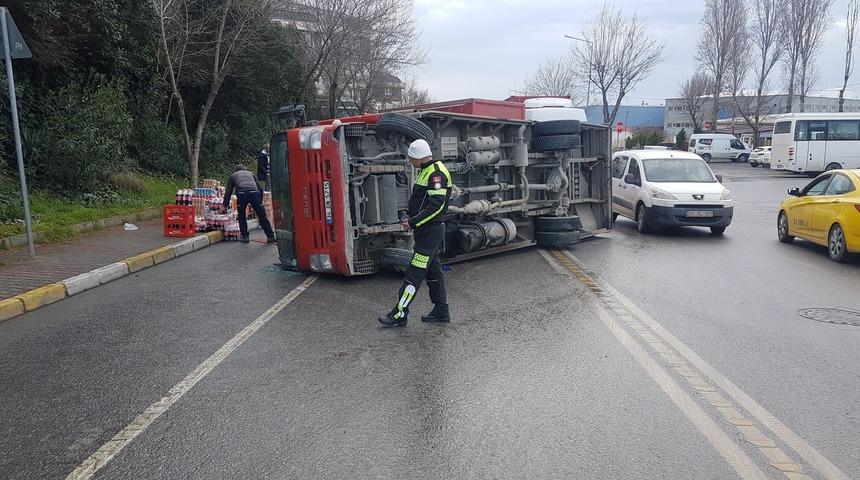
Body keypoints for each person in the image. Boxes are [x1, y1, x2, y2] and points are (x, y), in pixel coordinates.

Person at [378, 139, 452, 327]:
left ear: (418, 157)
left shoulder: (436, 174)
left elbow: (437, 206)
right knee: (434, 272)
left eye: (411, 158)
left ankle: (399, 314)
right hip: (427, 231)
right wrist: (412, 218)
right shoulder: (427, 171)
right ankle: (441, 311)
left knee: (414, 274)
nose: (410, 161)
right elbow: (423, 203)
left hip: (430, 232)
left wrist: (413, 222)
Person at [223, 164, 277, 244]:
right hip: (254, 193)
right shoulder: (251, 173)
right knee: (262, 216)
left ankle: (245, 237)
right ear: (245, 169)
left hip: (241, 194)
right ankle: (270, 236)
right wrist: (259, 201)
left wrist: (225, 205)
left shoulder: (233, 176)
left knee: (242, 216)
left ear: (236, 170)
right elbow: (260, 188)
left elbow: (228, 192)